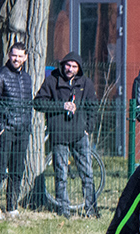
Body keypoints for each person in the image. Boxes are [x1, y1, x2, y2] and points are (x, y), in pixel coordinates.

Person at [34, 51, 99, 218]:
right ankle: (63, 210)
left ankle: (91, 209)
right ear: (63, 65)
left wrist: (88, 128)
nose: (70, 69)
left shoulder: (86, 83)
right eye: (68, 65)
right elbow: (38, 103)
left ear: (79, 68)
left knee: (87, 174)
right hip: (59, 135)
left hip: (79, 135)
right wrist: (61, 106)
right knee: (60, 174)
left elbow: (93, 107)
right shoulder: (51, 81)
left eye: (74, 66)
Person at [0, 41, 33, 221]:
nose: (17, 59)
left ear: (26, 58)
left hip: (22, 130)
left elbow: (28, 104)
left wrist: (27, 125)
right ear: (9, 55)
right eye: (14, 55)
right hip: (5, 130)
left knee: (17, 169)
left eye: (20, 56)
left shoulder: (27, 78)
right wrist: (0, 127)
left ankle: (12, 207)